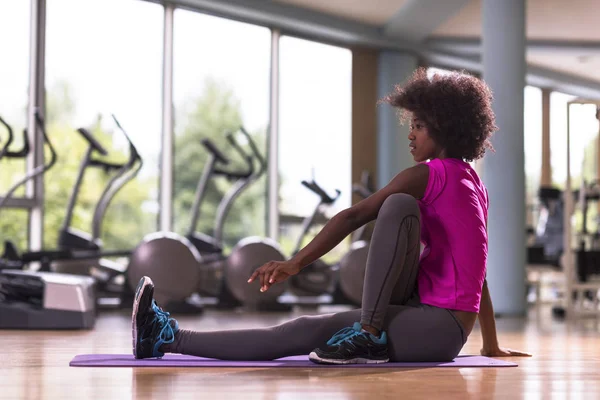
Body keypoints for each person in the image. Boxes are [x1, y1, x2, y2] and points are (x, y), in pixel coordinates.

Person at [131, 68, 532, 364]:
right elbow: (475, 271)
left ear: (445, 127)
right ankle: (368, 333)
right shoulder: (472, 185)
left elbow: (354, 215)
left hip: (436, 330)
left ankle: (167, 338)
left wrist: (294, 263)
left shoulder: (428, 175)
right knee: (309, 324)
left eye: (420, 126)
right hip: (437, 322)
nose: (411, 134)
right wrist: (489, 341)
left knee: (305, 327)